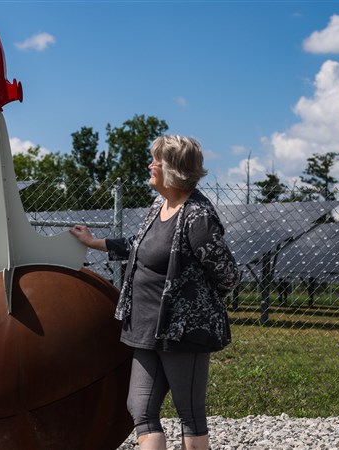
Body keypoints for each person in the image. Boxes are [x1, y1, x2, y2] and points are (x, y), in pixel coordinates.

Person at [70, 135, 240, 450]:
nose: (150, 166)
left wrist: (196, 303)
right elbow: (140, 245)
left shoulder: (197, 216)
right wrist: (95, 243)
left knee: (189, 413)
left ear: (172, 170)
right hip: (146, 326)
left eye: (156, 161)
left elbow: (227, 273)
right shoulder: (159, 205)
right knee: (141, 408)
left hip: (182, 332)